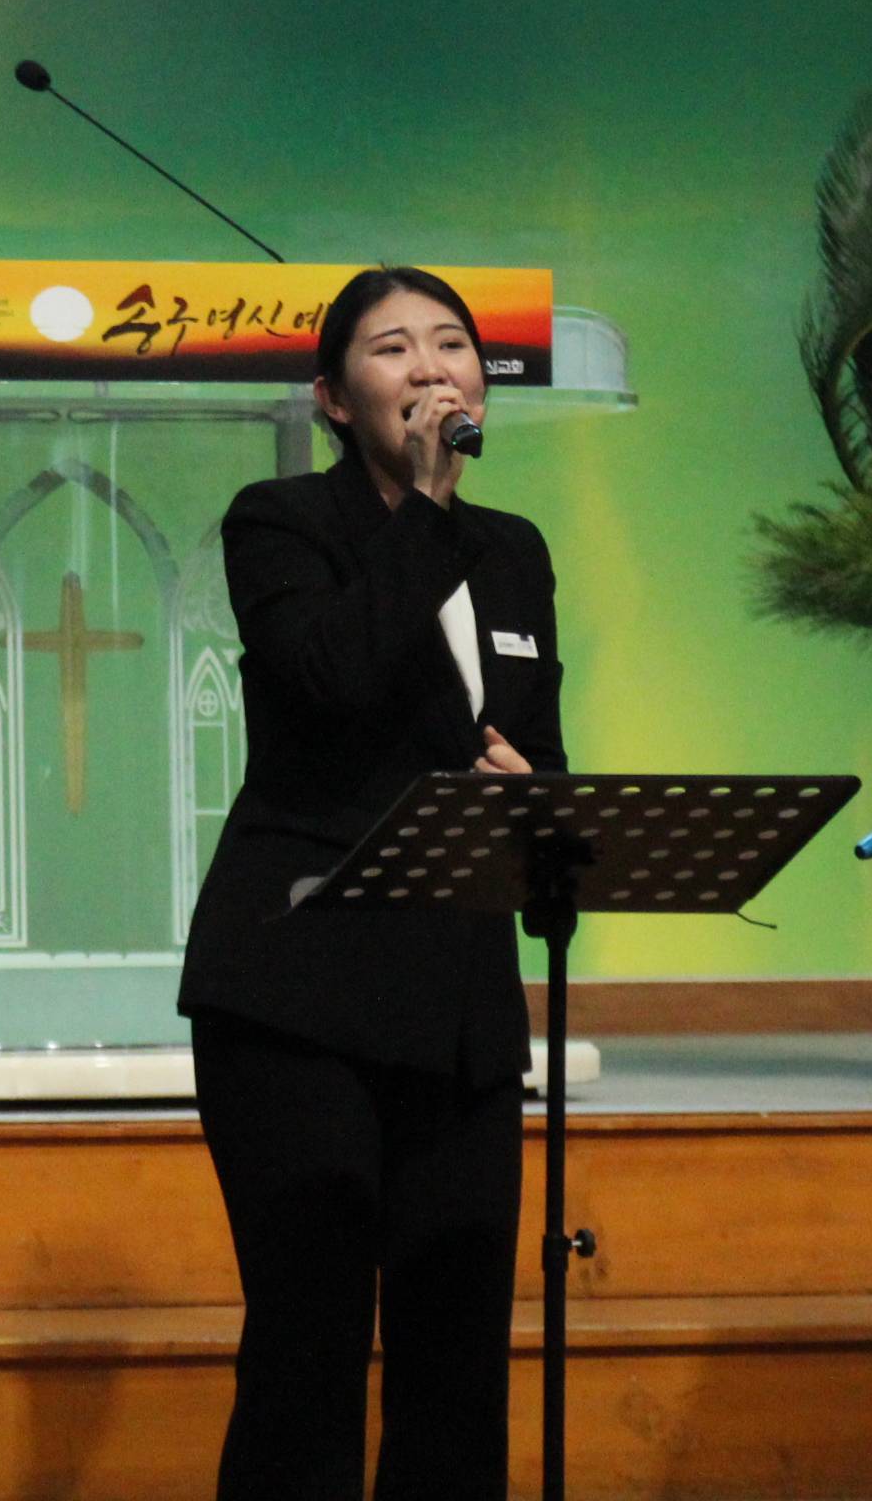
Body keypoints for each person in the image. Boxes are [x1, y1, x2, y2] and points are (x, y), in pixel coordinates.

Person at [177, 264, 565, 1500]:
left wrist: (539, 804)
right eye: (393, 349)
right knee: (310, 1346)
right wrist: (430, 505)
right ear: (335, 400)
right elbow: (332, 678)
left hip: (458, 1007)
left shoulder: (515, 552)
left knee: (457, 1365)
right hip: (299, 994)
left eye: (452, 344)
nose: (432, 368)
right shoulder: (282, 522)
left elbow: (537, 748)